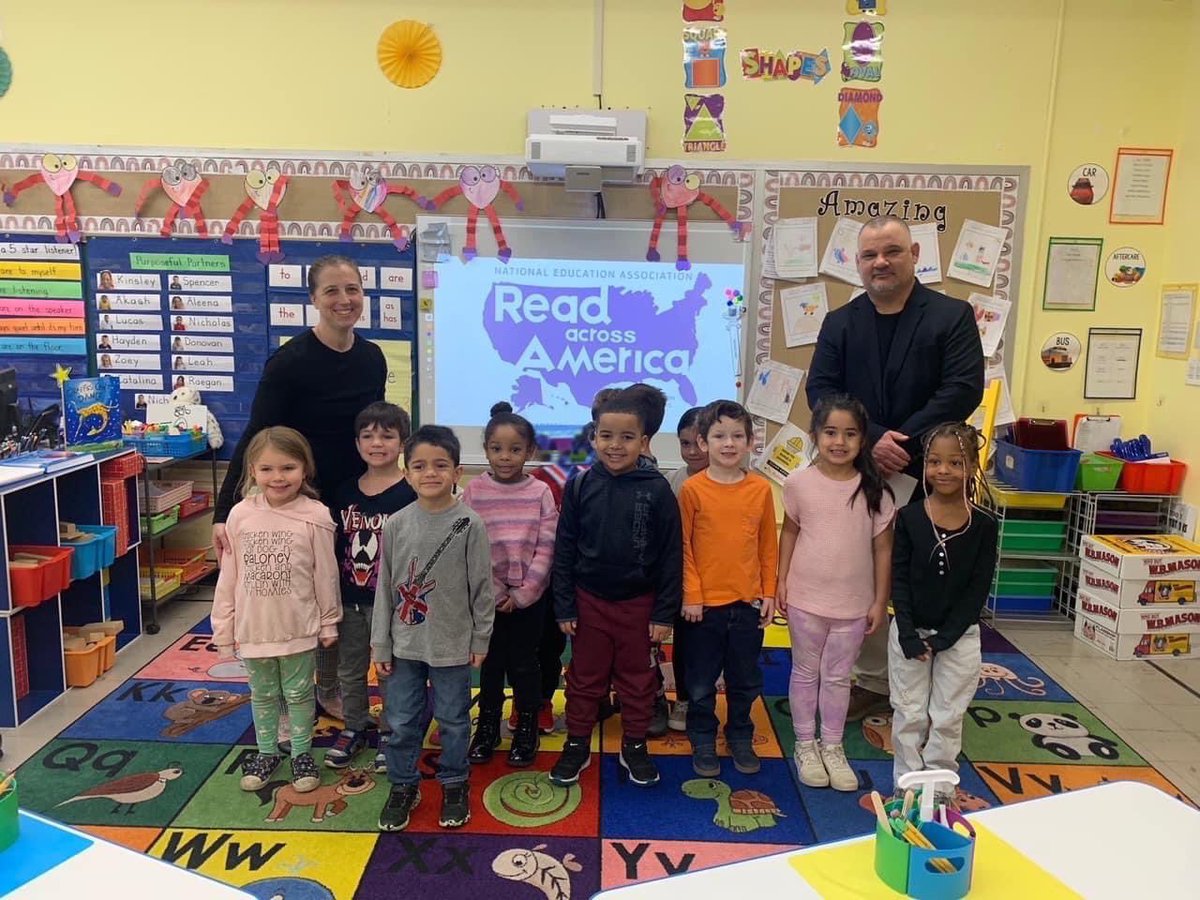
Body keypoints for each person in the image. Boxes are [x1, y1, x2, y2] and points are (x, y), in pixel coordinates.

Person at [805, 214, 984, 723]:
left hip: (929, 471)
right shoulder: (840, 322)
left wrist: (899, 441)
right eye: (869, 255)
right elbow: (822, 391)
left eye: (892, 251)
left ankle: (928, 674)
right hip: (857, 465)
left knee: (921, 577)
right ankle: (870, 679)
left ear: (914, 256)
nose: (880, 262)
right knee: (861, 574)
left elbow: (962, 389)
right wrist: (873, 439)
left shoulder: (952, 316)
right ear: (857, 264)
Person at [214, 254, 387, 722]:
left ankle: (329, 686)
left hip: (353, 500)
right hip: (298, 500)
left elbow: (373, 431)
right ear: (313, 298)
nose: (344, 299)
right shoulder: (290, 362)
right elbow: (255, 433)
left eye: (352, 289)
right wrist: (221, 511)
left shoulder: (373, 357)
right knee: (296, 593)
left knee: (342, 598)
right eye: (331, 291)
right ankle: (293, 686)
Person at [550, 387, 682, 788]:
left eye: (627, 437)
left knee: (637, 680)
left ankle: (636, 743)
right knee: (583, 677)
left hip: (638, 606)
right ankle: (576, 742)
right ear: (593, 437)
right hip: (588, 603)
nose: (615, 445)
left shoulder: (658, 489)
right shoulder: (579, 485)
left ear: (644, 442)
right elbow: (565, 548)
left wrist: (663, 613)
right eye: (606, 435)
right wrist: (565, 606)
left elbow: (672, 555)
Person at [372, 426, 494, 832]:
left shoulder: (470, 524)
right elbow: (385, 591)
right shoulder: (396, 524)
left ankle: (454, 782)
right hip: (404, 646)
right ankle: (404, 784)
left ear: (457, 472)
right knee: (402, 720)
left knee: (454, 719)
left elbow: (481, 587)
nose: (430, 473)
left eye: (440, 465)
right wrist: (380, 646)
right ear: (406, 474)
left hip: (452, 644)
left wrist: (480, 638)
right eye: (420, 466)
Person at [210, 426, 341, 796]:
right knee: (264, 694)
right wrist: (224, 628)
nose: (278, 477)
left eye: (288, 468)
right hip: (255, 627)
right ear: (252, 470)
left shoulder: (315, 515)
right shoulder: (239, 515)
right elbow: (230, 576)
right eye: (267, 469)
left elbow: (325, 574)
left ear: (304, 469)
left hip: (298, 625)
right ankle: (267, 752)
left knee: (300, 694)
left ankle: (301, 754)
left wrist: (329, 620)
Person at [778, 395, 895, 792]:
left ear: (863, 441)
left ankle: (832, 746)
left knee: (839, 676)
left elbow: (882, 549)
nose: (839, 442)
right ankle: (805, 744)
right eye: (830, 432)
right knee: (806, 671)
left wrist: (880, 600)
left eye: (850, 434)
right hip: (805, 598)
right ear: (815, 436)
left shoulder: (875, 490)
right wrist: (781, 581)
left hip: (853, 604)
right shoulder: (798, 484)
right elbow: (790, 532)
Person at [889, 422, 997, 806]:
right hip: (909, 632)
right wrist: (907, 633)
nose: (944, 470)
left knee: (948, 714)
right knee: (909, 710)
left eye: (955, 462)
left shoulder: (984, 524)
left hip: (958, 637)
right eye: (935, 461)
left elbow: (977, 589)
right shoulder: (909, 517)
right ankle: (907, 781)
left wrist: (945, 638)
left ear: (971, 467)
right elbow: (898, 578)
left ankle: (940, 785)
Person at [679, 400, 777, 778]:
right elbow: (684, 548)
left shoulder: (760, 490)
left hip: (747, 604)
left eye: (738, 435)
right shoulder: (692, 490)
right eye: (719, 435)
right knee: (701, 681)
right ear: (703, 443)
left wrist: (768, 592)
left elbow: (768, 545)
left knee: (744, 678)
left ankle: (740, 733)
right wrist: (692, 595)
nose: (729, 443)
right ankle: (702, 735)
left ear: (751, 442)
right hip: (703, 608)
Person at [463, 402, 558, 768]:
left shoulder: (540, 493)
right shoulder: (474, 492)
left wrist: (522, 594)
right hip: (486, 600)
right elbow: (470, 546)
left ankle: (526, 726)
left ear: (530, 452)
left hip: (528, 602)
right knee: (489, 665)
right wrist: (494, 592)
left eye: (515, 449)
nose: (505, 457)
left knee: (524, 664)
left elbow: (546, 548)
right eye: (496, 448)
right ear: (485, 449)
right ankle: (487, 726)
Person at [324, 402, 416, 773]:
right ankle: (355, 726)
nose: (377, 443)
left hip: (391, 604)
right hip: (351, 600)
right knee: (350, 669)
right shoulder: (343, 491)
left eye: (387, 435)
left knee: (391, 671)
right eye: (368, 436)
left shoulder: (411, 491)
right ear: (357, 442)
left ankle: (391, 732)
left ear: (403, 442)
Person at [666, 405, 708, 732]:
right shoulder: (673, 481)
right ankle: (682, 697)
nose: (693, 451)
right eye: (685, 443)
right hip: (683, 579)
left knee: (716, 649)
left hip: (720, 580)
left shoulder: (736, 480)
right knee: (684, 643)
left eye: (699, 442)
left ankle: (705, 702)